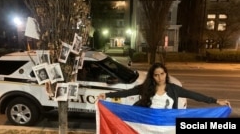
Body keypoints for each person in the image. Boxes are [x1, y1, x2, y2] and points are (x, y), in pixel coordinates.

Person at [98, 62, 231, 109]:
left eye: (162, 74)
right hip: (149, 124)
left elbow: (193, 95)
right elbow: (126, 93)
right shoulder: (146, 88)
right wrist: (107, 95)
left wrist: (216, 101)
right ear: (153, 76)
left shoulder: (173, 89)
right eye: (156, 75)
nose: (160, 77)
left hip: (167, 125)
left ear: (166, 74)